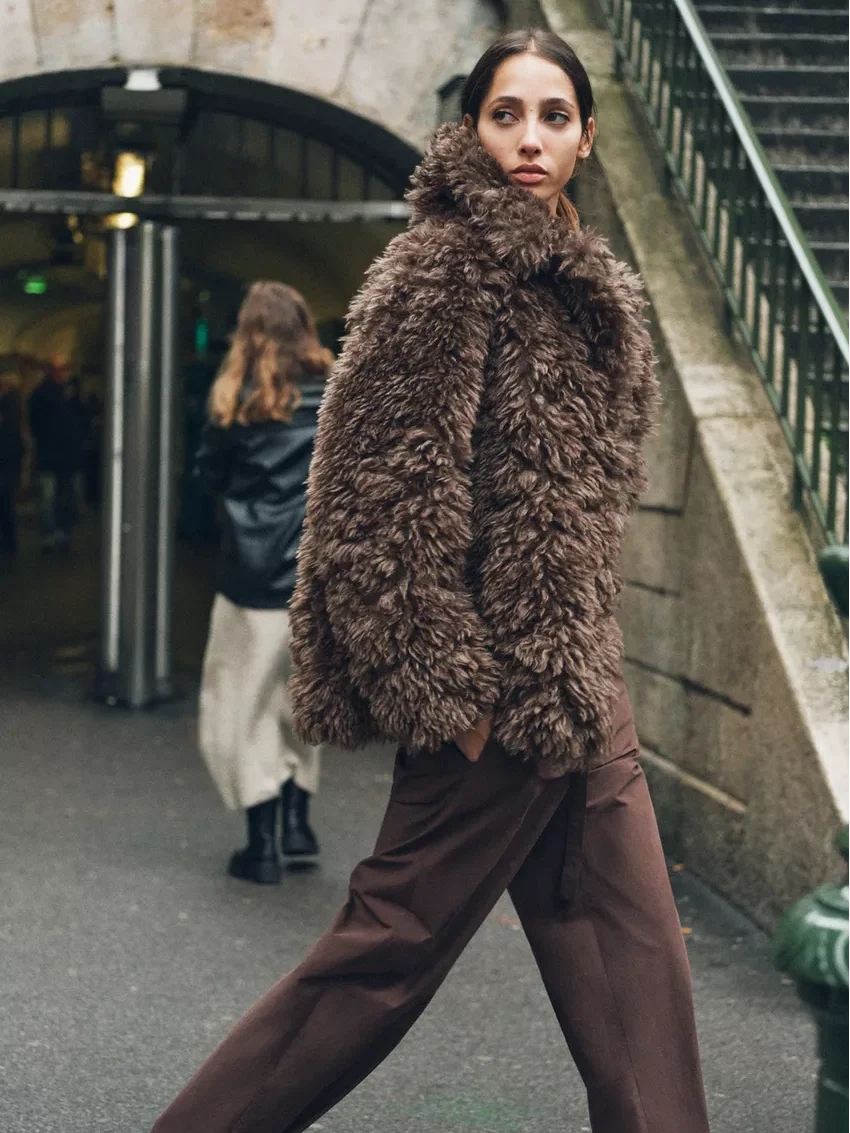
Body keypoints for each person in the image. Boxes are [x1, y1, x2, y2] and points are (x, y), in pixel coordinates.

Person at [152, 29, 711, 1133]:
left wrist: (578, 666)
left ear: (586, 139)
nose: (529, 140)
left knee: (641, 975)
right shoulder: (439, 271)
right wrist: (450, 702)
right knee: (379, 963)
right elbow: (376, 506)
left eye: (553, 117)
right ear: (470, 130)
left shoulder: (589, 290)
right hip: (488, 705)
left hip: (583, 694)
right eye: (506, 114)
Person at [194, 282, 334, 885]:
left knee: (242, 709)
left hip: (252, 584)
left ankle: (262, 848)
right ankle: (299, 824)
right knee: (300, 702)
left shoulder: (237, 400)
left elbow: (207, 476)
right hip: (317, 578)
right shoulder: (336, 393)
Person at [27, 359, 80, 552]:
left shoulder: (40, 396)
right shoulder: (63, 397)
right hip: (60, 457)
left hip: (51, 456)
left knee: (51, 498)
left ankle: (53, 533)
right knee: (59, 497)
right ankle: (57, 532)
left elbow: (35, 426)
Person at [0, 374, 23, 556]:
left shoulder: (9, 410)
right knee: (6, 505)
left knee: (5, 505)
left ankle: (8, 543)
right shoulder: (14, 409)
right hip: (8, 464)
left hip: (6, 464)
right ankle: (9, 543)